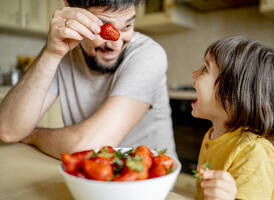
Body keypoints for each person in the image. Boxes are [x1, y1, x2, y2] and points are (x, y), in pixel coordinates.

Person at [0, 0, 177, 159]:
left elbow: (88, 148)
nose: (116, 45)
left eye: (127, 26)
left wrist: (32, 135)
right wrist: (51, 53)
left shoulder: (149, 54)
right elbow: (7, 130)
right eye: (103, 30)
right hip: (93, 180)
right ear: (72, 11)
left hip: (157, 185)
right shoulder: (64, 50)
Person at [191, 36, 274, 200]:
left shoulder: (254, 152)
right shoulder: (212, 135)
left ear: (233, 93)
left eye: (205, 68)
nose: (194, 74)